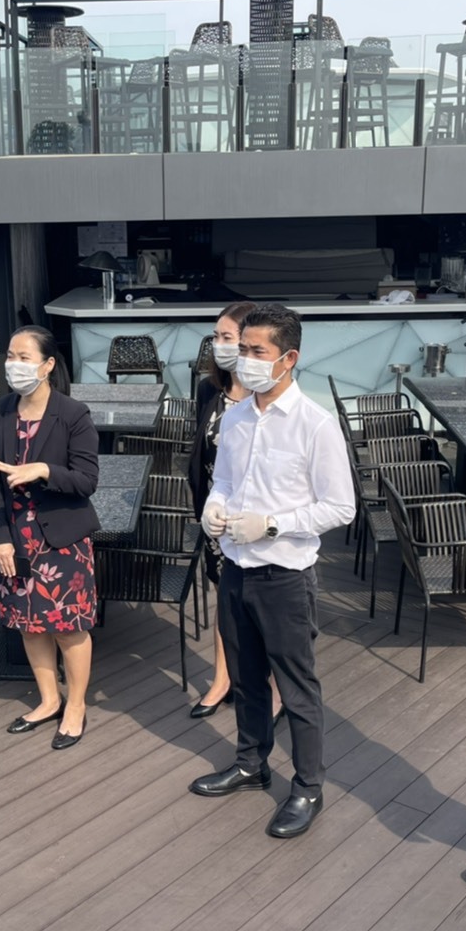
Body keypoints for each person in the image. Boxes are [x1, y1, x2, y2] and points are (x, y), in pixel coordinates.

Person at [189, 304, 355, 838]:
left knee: (297, 687)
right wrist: (214, 506)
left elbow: (340, 508)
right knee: (244, 677)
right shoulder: (236, 417)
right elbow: (227, 482)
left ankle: (308, 786)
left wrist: (274, 525)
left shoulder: (316, 426)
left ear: (289, 358)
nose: (245, 361)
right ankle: (250, 763)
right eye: (243, 350)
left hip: (284, 575)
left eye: (257, 352)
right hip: (235, 568)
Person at [0, 325, 100, 751]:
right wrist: (0, 537)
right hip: (15, 537)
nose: (13, 365)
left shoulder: (73, 414)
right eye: (10, 356)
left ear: (48, 365)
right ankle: (50, 700)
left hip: (62, 539)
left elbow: (88, 480)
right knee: (30, 625)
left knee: (69, 627)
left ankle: (76, 705)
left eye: (24, 357)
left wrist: (45, 471)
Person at [186, 302, 280, 721]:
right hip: (215, 518)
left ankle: (274, 689)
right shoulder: (209, 390)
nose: (219, 345)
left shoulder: (269, 396)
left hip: (257, 526)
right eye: (217, 337)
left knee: (261, 610)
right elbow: (200, 455)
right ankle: (223, 678)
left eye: (228, 338)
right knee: (223, 597)